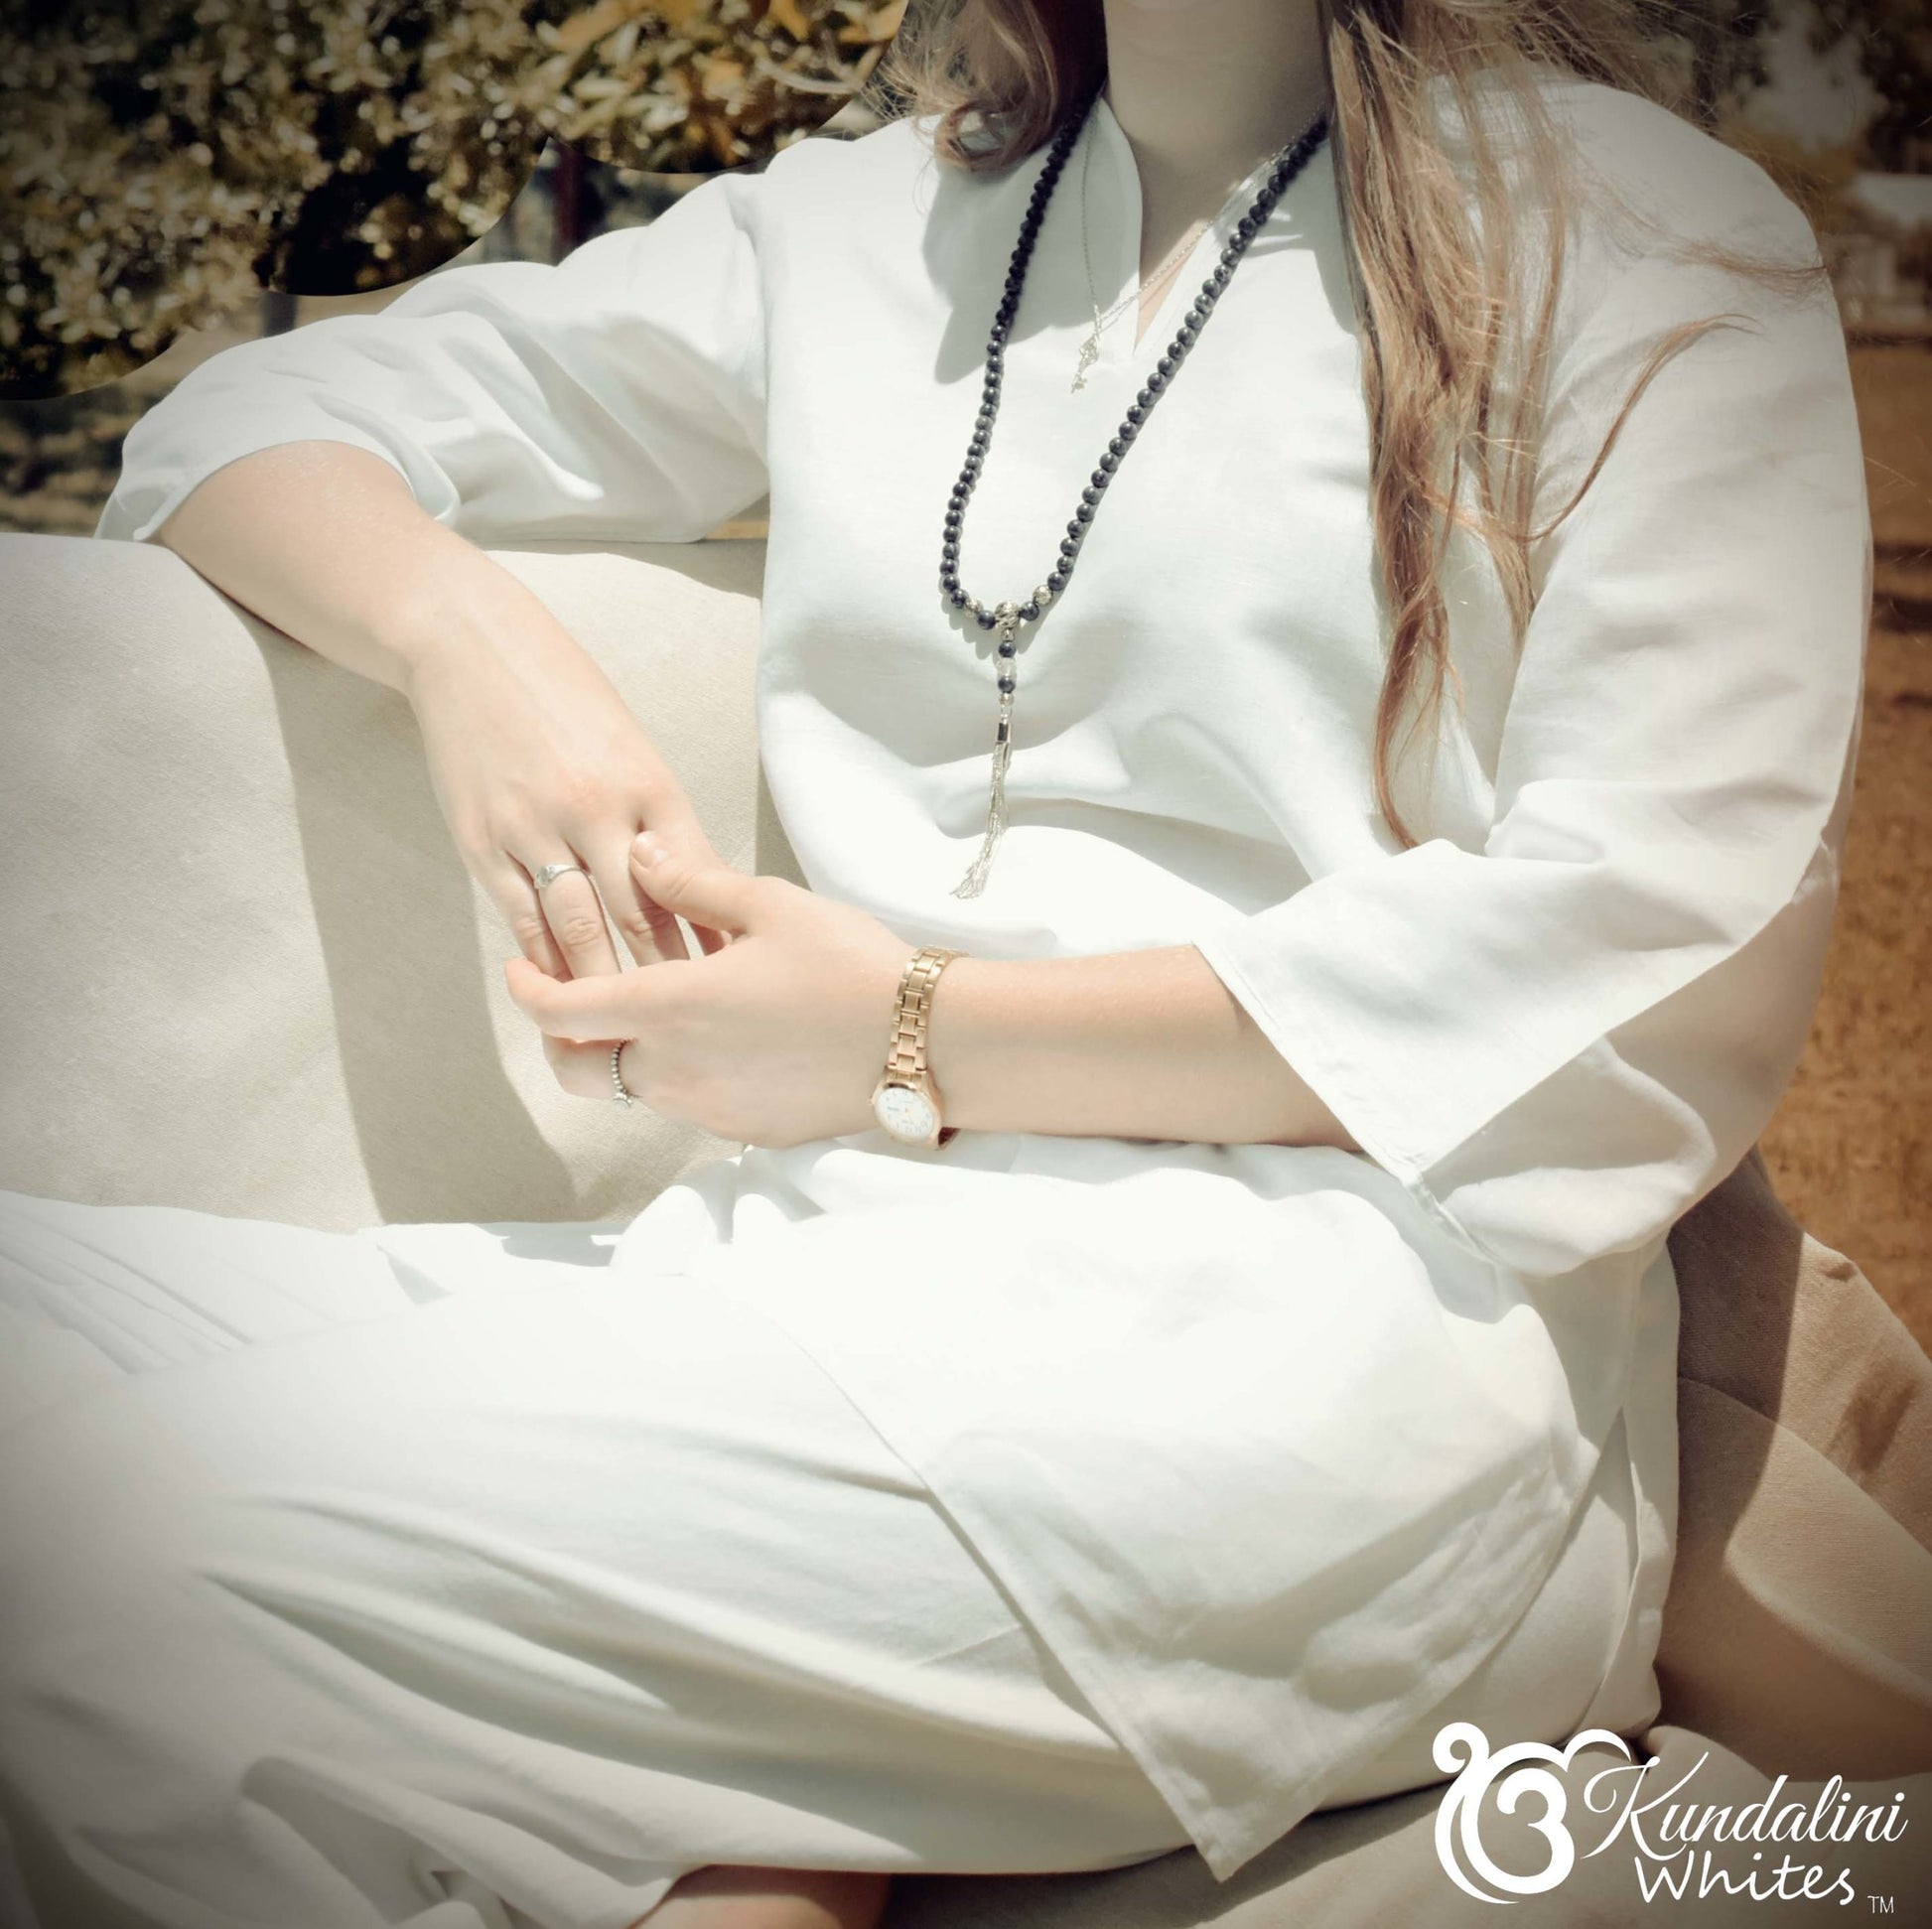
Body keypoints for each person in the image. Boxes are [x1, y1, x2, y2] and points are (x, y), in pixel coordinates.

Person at [0, 0, 1871, 1925]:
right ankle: (733, 1831)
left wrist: (911, 1036)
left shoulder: (1631, 238)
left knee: (94, 1582)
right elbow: (240, 428)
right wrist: (473, 650)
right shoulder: (865, 229)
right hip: (807, 1268)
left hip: (1313, 1361)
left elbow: (1654, 942)